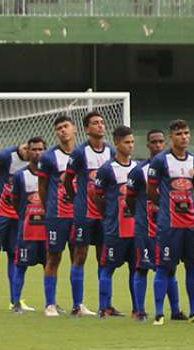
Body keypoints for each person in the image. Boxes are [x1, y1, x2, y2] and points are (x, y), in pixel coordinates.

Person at [147, 118, 194, 324]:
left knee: (193, 266)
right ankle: (160, 313)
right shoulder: (160, 161)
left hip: (191, 224)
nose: (184, 137)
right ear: (171, 137)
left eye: (186, 133)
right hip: (169, 224)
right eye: (179, 134)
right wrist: (165, 207)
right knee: (164, 267)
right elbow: (151, 191)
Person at [0, 137, 38, 313]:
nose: (36, 155)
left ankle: (15, 300)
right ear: (26, 149)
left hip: (18, 215)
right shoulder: (7, 156)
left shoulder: (36, 163)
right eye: (33, 151)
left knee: (15, 256)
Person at [67, 110, 114, 316]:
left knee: (104, 258)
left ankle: (105, 305)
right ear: (87, 129)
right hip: (85, 214)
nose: (100, 126)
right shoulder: (79, 153)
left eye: (102, 123)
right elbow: (67, 180)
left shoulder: (111, 151)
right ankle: (78, 305)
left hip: (104, 214)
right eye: (95, 123)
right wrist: (76, 199)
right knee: (80, 256)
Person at [36, 114, 78, 316]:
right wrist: (48, 209)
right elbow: (42, 187)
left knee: (78, 257)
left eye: (66, 126)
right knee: (53, 257)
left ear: (74, 129)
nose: (63, 130)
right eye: (59, 128)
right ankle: (50, 304)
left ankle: (78, 304)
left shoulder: (82, 155)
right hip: (57, 215)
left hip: (78, 215)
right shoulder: (49, 157)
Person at [93, 125, 137, 317]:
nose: (130, 146)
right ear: (117, 143)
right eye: (127, 142)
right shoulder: (106, 169)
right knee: (107, 268)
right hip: (115, 229)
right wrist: (108, 215)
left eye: (132, 142)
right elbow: (97, 196)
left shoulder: (137, 168)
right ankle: (105, 307)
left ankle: (138, 308)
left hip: (136, 230)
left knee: (136, 270)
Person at [126, 127, 167, 321]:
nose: (158, 145)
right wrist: (141, 217)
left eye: (161, 142)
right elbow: (130, 199)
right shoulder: (138, 171)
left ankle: (174, 310)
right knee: (141, 267)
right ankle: (139, 311)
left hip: (167, 227)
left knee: (168, 268)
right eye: (154, 142)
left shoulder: (171, 166)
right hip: (145, 228)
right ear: (148, 145)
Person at [7, 138, 49, 313]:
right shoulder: (20, 176)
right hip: (27, 231)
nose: (37, 153)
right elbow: (15, 201)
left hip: (47, 231)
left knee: (50, 266)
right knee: (21, 266)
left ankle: (51, 302)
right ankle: (16, 302)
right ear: (28, 152)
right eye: (34, 149)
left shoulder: (50, 174)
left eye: (40, 149)